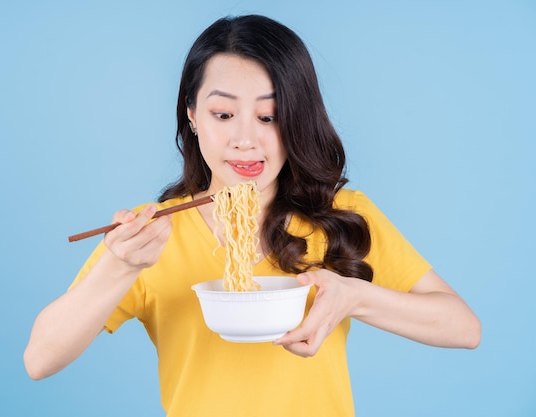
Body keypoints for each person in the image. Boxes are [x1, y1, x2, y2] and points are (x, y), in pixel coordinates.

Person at [24, 14, 481, 417]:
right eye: (223, 114)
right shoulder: (154, 235)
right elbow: (39, 359)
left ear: (298, 120)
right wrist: (118, 265)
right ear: (192, 116)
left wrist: (353, 297)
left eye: (269, 117)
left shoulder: (340, 215)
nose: (246, 140)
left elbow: (464, 327)